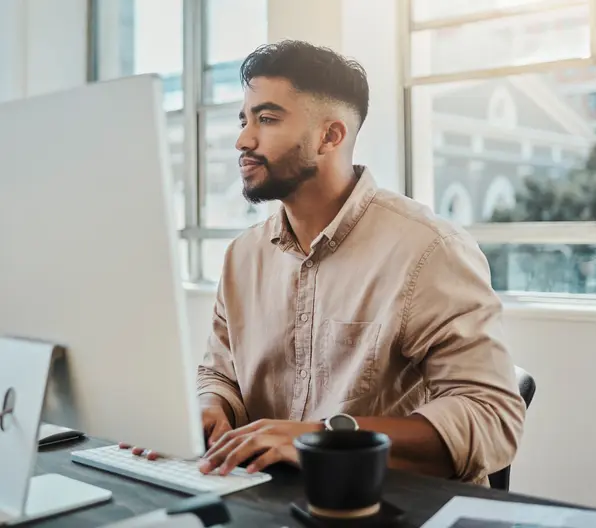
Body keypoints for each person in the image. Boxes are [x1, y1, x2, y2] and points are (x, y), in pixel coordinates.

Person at [127, 40, 526, 486]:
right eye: (244, 119)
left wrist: (322, 440)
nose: (243, 139)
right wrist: (208, 407)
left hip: (388, 507)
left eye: (267, 118)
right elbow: (220, 374)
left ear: (330, 136)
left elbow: (492, 418)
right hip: (268, 500)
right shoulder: (243, 256)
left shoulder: (431, 250)